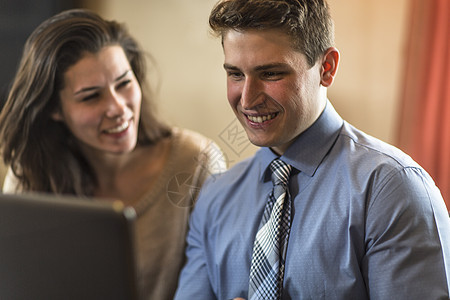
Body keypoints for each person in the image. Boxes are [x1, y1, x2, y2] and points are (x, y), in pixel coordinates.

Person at [174, 0, 450, 299]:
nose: (247, 100)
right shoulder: (215, 197)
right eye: (236, 74)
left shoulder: (392, 189)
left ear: (326, 68)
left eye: (270, 74)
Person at [0, 9, 226, 300]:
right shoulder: (30, 174)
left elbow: (217, 283)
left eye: (124, 83)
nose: (118, 107)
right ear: (54, 110)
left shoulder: (197, 163)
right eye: (92, 96)